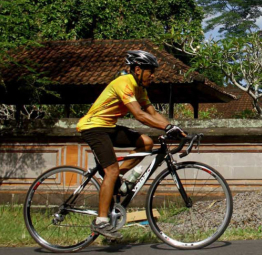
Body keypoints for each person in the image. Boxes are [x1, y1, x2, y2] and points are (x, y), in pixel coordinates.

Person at [76, 50, 186, 239]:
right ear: (137, 69)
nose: (153, 76)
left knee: (146, 142)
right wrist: (167, 127)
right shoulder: (124, 82)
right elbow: (139, 115)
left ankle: (117, 179)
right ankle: (101, 221)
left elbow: (151, 112)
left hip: (108, 127)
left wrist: (175, 129)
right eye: (150, 71)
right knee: (110, 170)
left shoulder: (140, 89)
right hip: (93, 127)